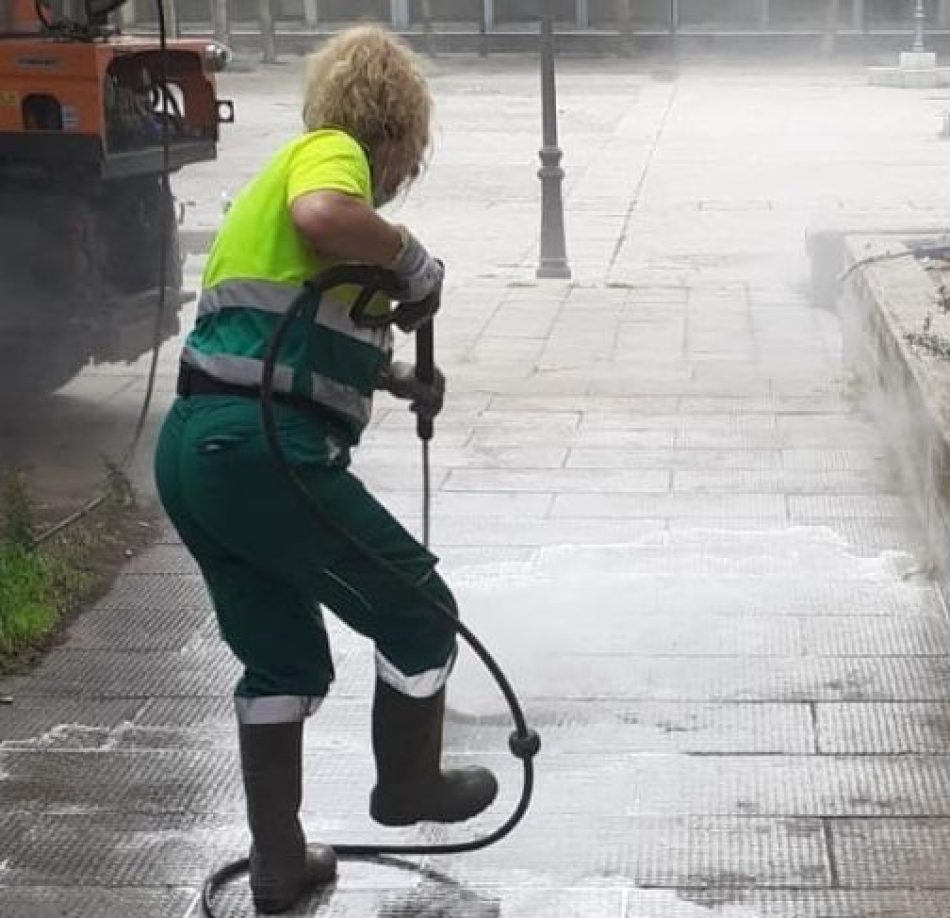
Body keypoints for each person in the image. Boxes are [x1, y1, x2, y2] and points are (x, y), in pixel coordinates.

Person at [154, 25, 497, 915]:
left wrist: (392, 373)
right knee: (419, 610)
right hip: (261, 452)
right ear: (393, 134)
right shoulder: (330, 154)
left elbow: (279, 336)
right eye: (402, 164)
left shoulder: (277, 203)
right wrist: (411, 255)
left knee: (282, 661)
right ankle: (408, 788)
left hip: (197, 450)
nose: (392, 182)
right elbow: (326, 216)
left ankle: (278, 865)